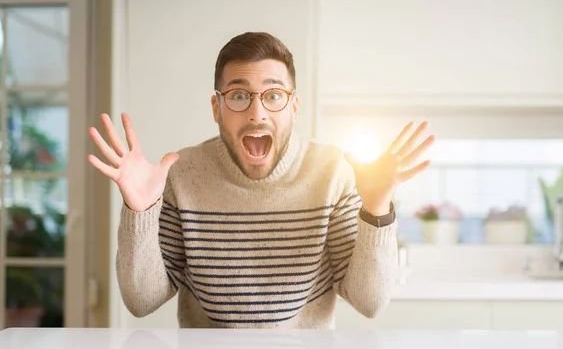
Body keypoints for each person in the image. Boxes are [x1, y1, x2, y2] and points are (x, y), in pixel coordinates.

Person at [88, 32, 435, 328]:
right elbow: (141, 301)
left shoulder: (334, 172)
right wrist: (141, 209)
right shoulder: (182, 174)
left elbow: (369, 303)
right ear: (216, 109)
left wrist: (376, 208)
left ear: (294, 107)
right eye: (239, 96)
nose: (257, 113)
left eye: (273, 96)